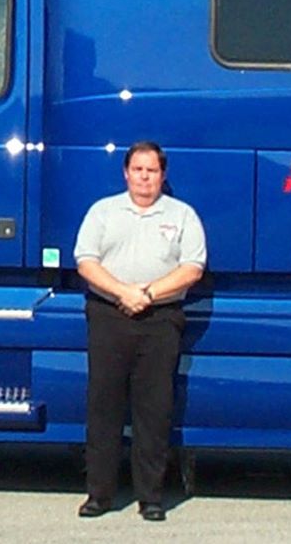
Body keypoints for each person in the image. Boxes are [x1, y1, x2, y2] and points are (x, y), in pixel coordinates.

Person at [73, 141, 206, 521]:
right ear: (126, 173)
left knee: (154, 410)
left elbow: (192, 267)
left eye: (152, 171)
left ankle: (151, 498)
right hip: (108, 315)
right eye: (138, 170)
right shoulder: (103, 211)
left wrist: (146, 294)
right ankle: (99, 495)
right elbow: (86, 261)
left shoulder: (182, 215)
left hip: (160, 318)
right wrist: (123, 293)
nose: (144, 177)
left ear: (163, 176)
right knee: (104, 408)